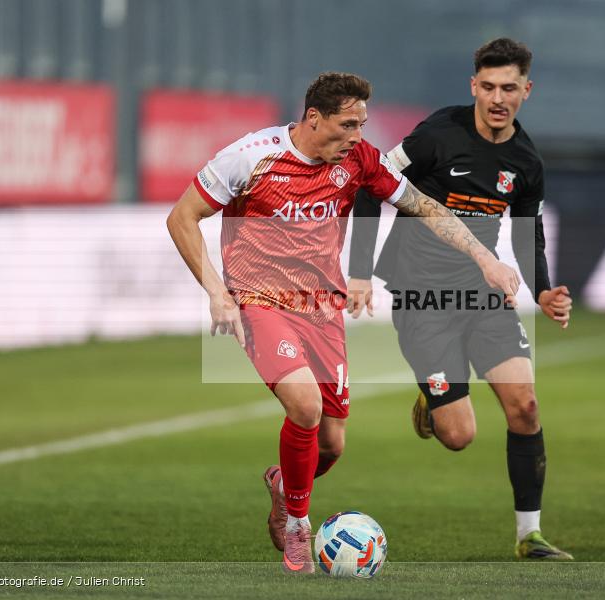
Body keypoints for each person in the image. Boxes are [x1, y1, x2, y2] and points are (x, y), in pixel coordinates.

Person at [166, 72, 520, 573]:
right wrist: (217, 293)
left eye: (363, 125)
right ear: (314, 118)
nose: (358, 135)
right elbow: (182, 217)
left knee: (330, 445)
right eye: (348, 124)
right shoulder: (250, 156)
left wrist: (485, 258)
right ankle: (298, 526)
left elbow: (422, 206)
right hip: (260, 301)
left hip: (322, 310)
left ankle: (284, 486)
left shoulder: (359, 160)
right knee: (305, 407)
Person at [347, 38, 574, 560]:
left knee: (526, 405)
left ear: (527, 90)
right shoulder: (436, 135)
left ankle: (529, 535)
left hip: (481, 293)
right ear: (474, 85)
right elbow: (369, 186)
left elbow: (528, 234)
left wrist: (543, 290)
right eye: (488, 86)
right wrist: (359, 273)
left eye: (509, 88)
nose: (497, 98)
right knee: (458, 436)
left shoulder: (526, 160)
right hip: (421, 297)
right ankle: (433, 401)